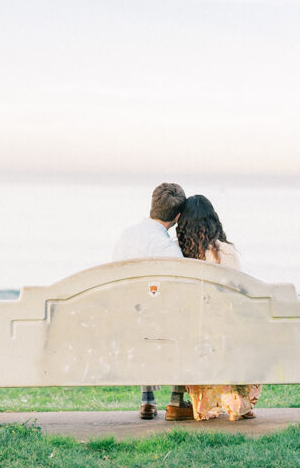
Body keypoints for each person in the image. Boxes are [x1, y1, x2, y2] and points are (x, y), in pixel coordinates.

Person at [176, 194, 262, 422]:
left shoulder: (177, 253)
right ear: (214, 221)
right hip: (224, 332)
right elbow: (238, 295)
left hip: (191, 334)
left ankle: (205, 405)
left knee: (202, 335)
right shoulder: (224, 251)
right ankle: (236, 400)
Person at [112, 181, 193, 421]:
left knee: (145, 316)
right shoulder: (165, 246)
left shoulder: (126, 236)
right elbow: (182, 289)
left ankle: (147, 399)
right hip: (154, 326)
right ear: (177, 217)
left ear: (152, 207)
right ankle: (176, 400)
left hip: (126, 321)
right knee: (186, 320)